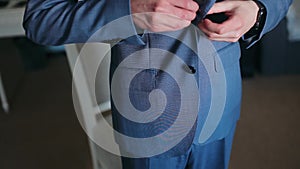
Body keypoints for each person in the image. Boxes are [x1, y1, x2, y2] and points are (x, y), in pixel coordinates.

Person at [23, 0, 292, 169]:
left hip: (221, 98)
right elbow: (41, 18)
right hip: (147, 116)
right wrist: (129, 11)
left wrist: (258, 10)